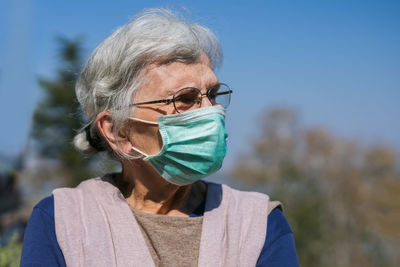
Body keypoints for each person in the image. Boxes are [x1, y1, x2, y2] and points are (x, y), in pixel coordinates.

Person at [21, 8, 298, 267]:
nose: (211, 113)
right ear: (118, 131)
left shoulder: (258, 224)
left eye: (212, 95)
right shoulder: (62, 221)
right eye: (185, 99)